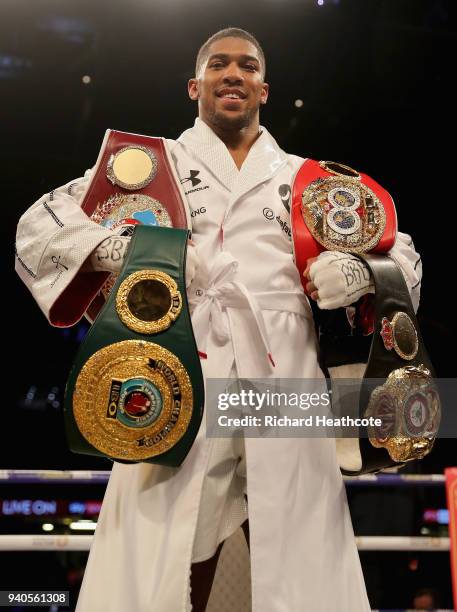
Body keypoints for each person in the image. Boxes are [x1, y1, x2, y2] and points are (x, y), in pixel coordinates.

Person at [15, 28, 422, 612]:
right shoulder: (149, 165)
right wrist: (138, 248)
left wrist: (362, 273)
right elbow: (40, 228)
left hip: (287, 372)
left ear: (264, 88)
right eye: (218, 64)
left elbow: (403, 255)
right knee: (173, 540)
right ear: (194, 85)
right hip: (181, 362)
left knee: (295, 527)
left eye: (248, 66)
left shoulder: (310, 179)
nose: (233, 73)